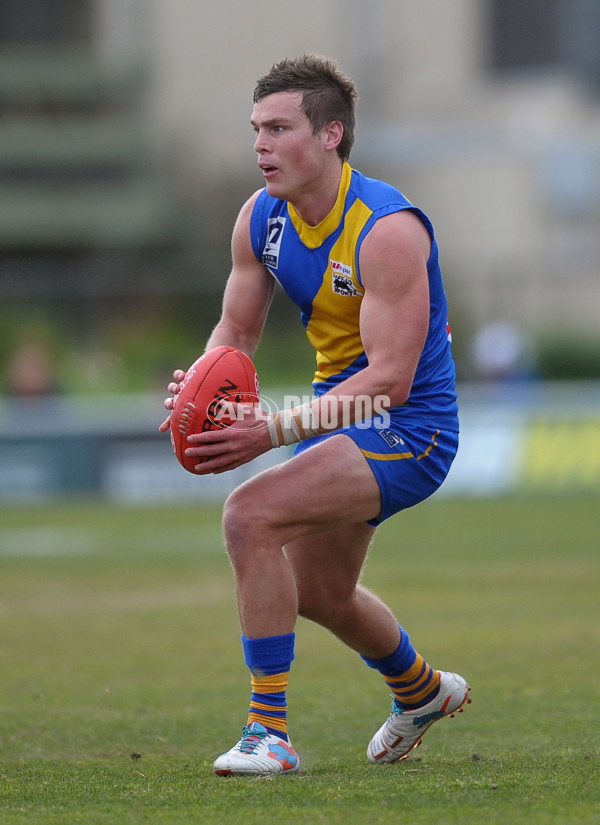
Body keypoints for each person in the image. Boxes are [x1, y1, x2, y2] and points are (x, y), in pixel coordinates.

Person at [160, 54, 470, 776]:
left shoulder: (387, 229)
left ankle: (269, 732)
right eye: (255, 129)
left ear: (331, 135)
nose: (260, 145)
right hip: (341, 412)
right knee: (319, 592)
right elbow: (234, 332)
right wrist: (204, 388)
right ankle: (421, 689)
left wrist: (270, 427)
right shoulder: (260, 217)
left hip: (410, 425)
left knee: (248, 516)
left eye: (278, 128)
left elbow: (390, 381)